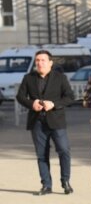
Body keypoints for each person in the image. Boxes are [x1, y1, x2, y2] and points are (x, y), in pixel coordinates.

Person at [16, 49, 75, 195]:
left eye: (43, 60)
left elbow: (70, 97)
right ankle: (46, 185)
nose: (39, 63)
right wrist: (32, 103)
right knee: (42, 155)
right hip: (37, 122)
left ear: (50, 62)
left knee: (64, 150)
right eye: (37, 61)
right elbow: (20, 97)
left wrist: (53, 104)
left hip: (56, 121)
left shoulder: (60, 77)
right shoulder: (28, 78)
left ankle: (65, 181)